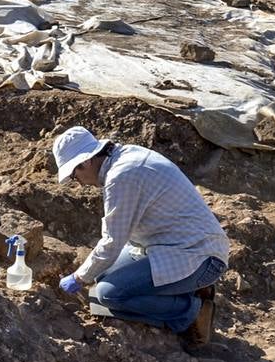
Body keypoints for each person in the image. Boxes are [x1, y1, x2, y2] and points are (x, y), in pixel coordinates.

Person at [52, 126, 229, 346]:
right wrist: (89, 273)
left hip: (200, 256)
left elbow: (112, 242)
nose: (76, 181)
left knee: (110, 294)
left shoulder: (122, 177)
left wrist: (78, 278)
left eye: (73, 174)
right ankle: (191, 289)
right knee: (103, 275)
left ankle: (191, 312)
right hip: (171, 245)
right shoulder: (124, 156)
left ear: (85, 162)